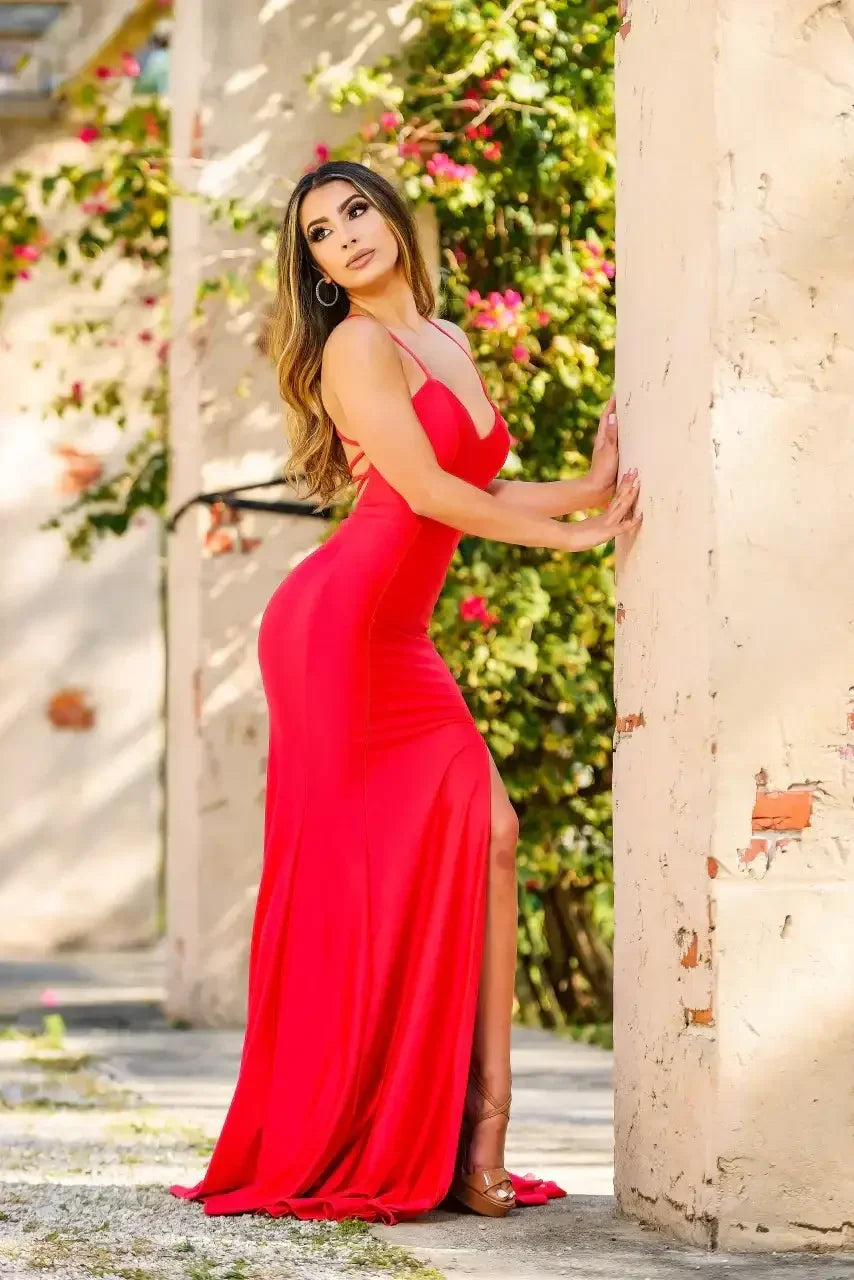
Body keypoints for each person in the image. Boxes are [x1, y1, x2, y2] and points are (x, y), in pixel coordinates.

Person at [170, 160, 641, 1224]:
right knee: (360, 880)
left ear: (390, 215)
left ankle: (479, 1137)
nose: (344, 235)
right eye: (321, 234)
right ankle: (414, 1137)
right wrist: (580, 537)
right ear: (320, 272)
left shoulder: (445, 340)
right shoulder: (354, 345)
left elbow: (467, 480)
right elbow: (424, 493)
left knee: (492, 832)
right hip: (338, 632)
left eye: (354, 211)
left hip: (393, 632)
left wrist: (590, 484)